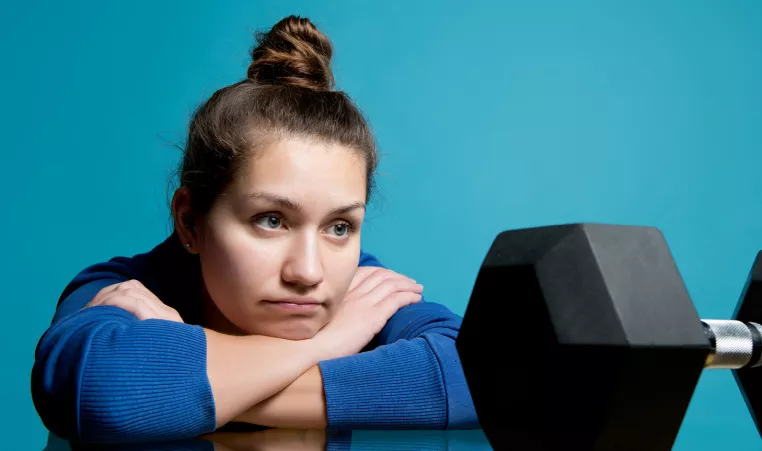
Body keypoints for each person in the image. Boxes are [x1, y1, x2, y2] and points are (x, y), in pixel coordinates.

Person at [31, 15, 479, 445]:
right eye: (271, 220)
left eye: (339, 227)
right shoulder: (123, 291)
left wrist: (190, 382)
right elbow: (103, 392)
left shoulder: (365, 288)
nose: (307, 273)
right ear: (189, 220)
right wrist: (327, 344)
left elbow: (485, 375)